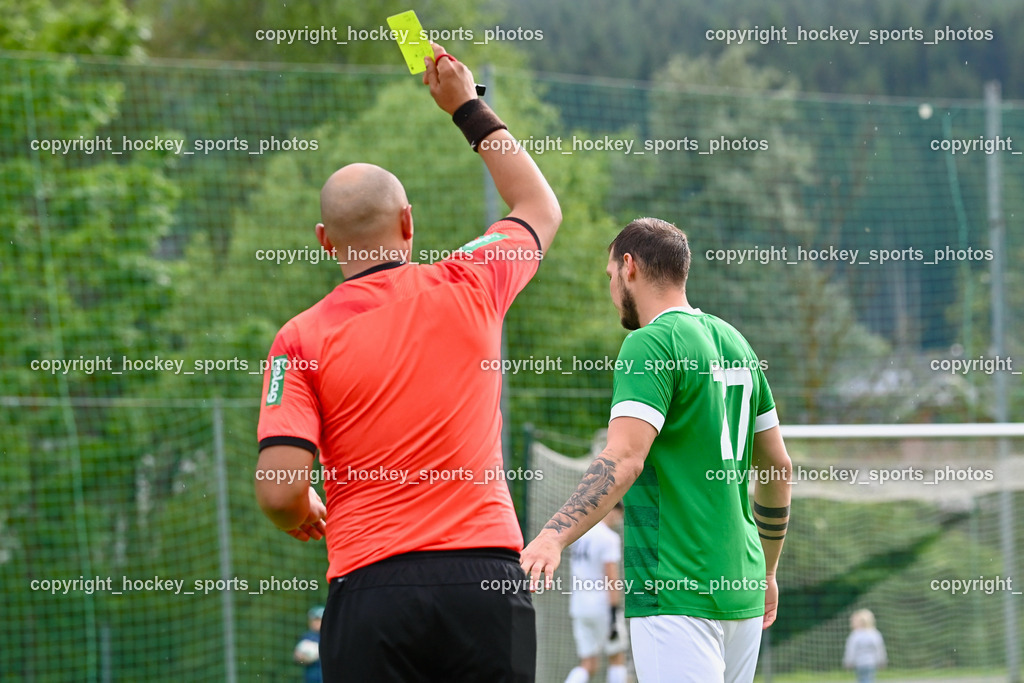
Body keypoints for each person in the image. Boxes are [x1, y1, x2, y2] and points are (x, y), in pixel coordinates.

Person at [253, 41, 561, 682]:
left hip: (371, 589)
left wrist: (305, 508)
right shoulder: (471, 280)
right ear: (408, 222)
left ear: (323, 241)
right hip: (486, 581)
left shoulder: (300, 337)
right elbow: (538, 208)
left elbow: (279, 492)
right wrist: (468, 107)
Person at [521, 217, 793, 683]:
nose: (611, 290)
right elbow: (778, 469)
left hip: (674, 588)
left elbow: (624, 459)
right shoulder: (737, 344)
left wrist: (553, 535)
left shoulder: (648, 343)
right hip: (742, 587)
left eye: (609, 276)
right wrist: (766, 572)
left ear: (629, 267)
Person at [564, 502, 628, 683]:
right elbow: (611, 578)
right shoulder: (609, 538)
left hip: (579, 606)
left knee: (588, 663)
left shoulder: (579, 535)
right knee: (616, 657)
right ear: (611, 511)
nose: (618, 520)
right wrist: (614, 611)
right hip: (602, 606)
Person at [843, 608, 887, 683]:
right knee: (869, 679)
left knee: (863, 679)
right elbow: (879, 649)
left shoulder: (855, 634)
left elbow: (851, 650)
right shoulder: (875, 633)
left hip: (859, 663)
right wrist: (882, 661)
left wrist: (848, 662)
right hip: (871, 663)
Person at [293, 605, 324, 683]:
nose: (316, 623)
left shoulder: (330, 636)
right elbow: (297, 657)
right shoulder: (307, 637)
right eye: (314, 620)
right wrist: (304, 658)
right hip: (311, 678)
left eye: (318, 620)